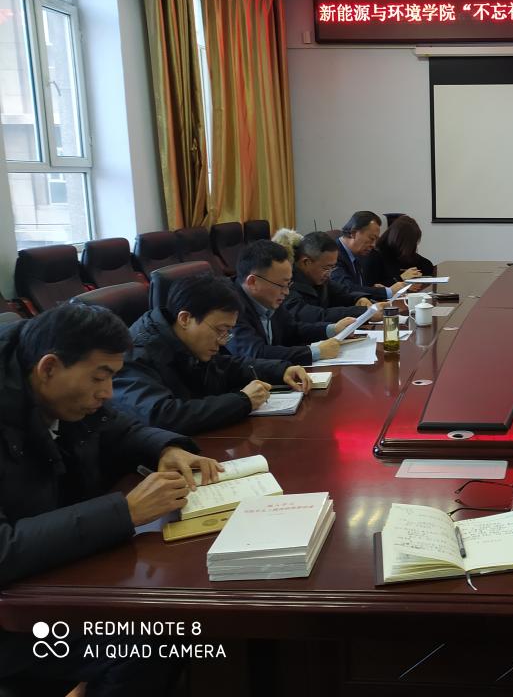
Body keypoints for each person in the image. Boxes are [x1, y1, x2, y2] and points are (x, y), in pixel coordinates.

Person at [0, 304, 222, 694]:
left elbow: (118, 427)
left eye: (113, 378)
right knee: (156, 637)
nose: (108, 393)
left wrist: (165, 447)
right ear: (48, 368)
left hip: (53, 576)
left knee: (179, 614)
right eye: (99, 378)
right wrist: (126, 511)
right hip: (12, 616)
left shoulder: (55, 392)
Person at [112, 275, 311, 436]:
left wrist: (280, 370)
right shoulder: (134, 354)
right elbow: (162, 416)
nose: (223, 341)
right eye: (220, 330)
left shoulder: (185, 340)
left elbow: (226, 366)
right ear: (185, 318)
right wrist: (242, 401)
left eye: (228, 332)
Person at [228, 240, 355, 366]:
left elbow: (292, 330)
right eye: (281, 285)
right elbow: (255, 353)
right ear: (252, 282)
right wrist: (314, 352)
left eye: (288, 284)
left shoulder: (269, 298)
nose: (286, 292)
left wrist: (332, 329)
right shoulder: (228, 306)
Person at [274, 229, 385, 323]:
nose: (329, 273)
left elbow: (343, 292)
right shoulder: (286, 284)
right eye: (326, 268)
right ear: (306, 262)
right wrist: (363, 312)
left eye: (333, 267)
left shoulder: (319, 279)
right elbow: (316, 315)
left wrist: (359, 299)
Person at [331, 211, 406, 302]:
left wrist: (374, 288)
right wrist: (388, 291)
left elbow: (359, 287)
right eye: (371, 238)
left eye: (375, 240)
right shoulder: (333, 254)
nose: (373, 245)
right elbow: (347, 288)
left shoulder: (357, 253)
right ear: (353, 233)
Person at [361, 215, 435, 288]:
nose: (412, 248)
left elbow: (427, 266)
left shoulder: (409, 255)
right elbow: (370, 288)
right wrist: (401, 278)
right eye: (410, 244)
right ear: (399, 241)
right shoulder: (374, 256)